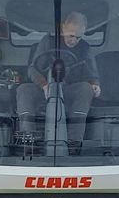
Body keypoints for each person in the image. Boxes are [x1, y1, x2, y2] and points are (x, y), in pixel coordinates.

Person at [15, 11, 101, 151]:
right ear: (63, 27)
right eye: (71, 36)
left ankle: (74, 144)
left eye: (78, 37)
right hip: (44, 90)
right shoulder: (47, 41)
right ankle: (28, 141)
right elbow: (32, 70)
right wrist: (44, 85)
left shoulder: (85, 48)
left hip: (68, 92)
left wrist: (95, 85)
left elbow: (92, 75)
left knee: (86, 88)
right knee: (23, 89)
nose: (74, 40)